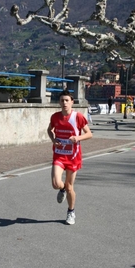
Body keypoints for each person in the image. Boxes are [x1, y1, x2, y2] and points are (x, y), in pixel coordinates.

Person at [47, 89, 92, 225]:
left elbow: (89, 134)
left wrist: (77, 137)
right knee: (56, 183)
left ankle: (71, 212)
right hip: (59, 155)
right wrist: (53, 139)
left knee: (70, 187)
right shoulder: (55, 117)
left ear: (72, 102)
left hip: (73, 157)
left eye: (67, 100)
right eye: (62, 100)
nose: (64, 103)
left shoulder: (77, 117)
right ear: (59, 102)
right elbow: (49, 130)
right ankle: (62, 189)